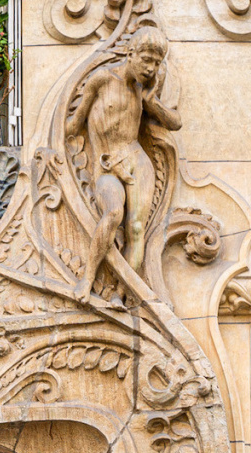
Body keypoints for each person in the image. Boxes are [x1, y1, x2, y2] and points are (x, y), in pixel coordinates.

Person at [64, 26, 180, 299]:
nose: (151, 68)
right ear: (131, 53)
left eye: (156, 63)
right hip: (106, 164)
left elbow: (176, 122)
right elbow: (72, 126)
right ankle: (87, 279)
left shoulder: (144, 91)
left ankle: (121, 293)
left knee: (136, 228)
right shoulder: (102, 80)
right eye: (146, 60)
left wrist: (151, 101)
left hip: (136, 160)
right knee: (114, 213)